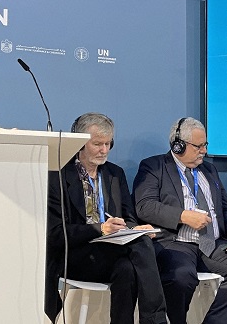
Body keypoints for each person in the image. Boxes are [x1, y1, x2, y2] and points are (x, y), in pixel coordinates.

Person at [132, 117, 227, 324]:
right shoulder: (154, 166)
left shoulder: (209, 170)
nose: (204, 151)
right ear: (178, 145)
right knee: (181, 276)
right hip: (177, 243)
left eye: (205, 145)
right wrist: (183, 216)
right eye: (198, 146)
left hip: (213, 244)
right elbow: (144, 206)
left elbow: (226, 207)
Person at [45, 113, 167, 324]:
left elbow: (128, 216)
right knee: (140, 248)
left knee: (128, 267)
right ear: (80, 143)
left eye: (108, 143)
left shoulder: (114, 174)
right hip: (74, 254)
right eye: (97, 144)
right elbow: (55, 233)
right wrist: (100, 228)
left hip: (111, 249)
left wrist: (133, 228)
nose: (104, 150)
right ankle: (155, 320)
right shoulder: (58, 175)